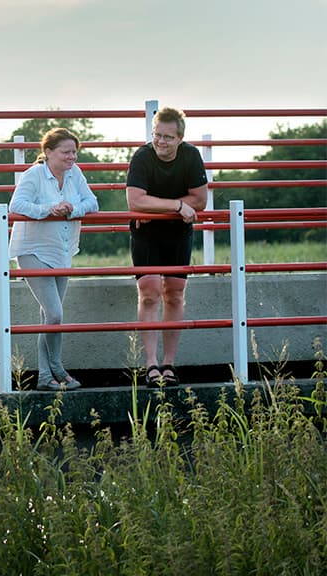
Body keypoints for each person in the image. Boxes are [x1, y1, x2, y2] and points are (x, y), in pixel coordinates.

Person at [9, 127, 99, 391]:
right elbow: (17, 205)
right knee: (55, 314)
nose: (71, 157)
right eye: (66, 152)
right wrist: (49, 210)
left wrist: (72, 210)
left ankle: (45, 377)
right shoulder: (34, 175)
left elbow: (92, 202)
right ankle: (57, 368)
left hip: (62, 248)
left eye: (74, 152)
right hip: (34, 250)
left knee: (49, 317)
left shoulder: (75, 174)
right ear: (48, 152)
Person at [126, 107, 208, 387]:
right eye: (156, 135)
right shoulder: (142, 156)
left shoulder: (191, 156)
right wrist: (177, 205)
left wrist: (158, 205)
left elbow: (200, 200)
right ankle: (150, 364)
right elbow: (135, 201)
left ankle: (169, 364)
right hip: (146, 231)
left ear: (180, 139)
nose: (160, 142)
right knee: (149, 292)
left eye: (167, 137)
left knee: (174, 294)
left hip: (178, 232)